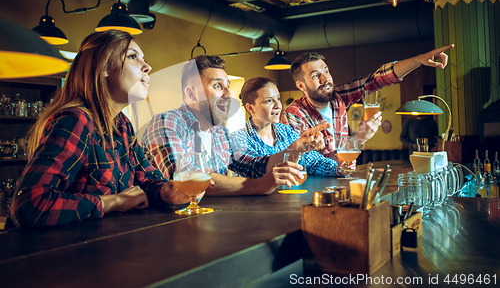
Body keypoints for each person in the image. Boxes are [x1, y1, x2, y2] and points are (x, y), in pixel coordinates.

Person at [6, 30, 189, 229]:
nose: (148, 67)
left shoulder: (122, 125)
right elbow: (29, 205)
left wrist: (166, 191)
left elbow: (146, 178)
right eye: (132, 57)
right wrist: (113, 202)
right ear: (102, 68)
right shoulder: (75, 120)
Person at [141, 55, 329, 195]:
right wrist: (259, 186)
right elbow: (185, 178)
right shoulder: (168, 122)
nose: (228, 94)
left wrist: (297, 147)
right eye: (217, 86)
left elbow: (256, 166)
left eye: (228, 86)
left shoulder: (219, 133)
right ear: (191, 94)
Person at [281, 45, 454, 160]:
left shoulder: (338, 98)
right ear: (301, 86)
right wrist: (360, 137)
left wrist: (418, 60)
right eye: (315, 75)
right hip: (311, 193)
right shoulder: (294, 114)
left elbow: (377, 79)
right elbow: (309, 164)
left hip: (342, 183)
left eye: (326, 71)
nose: (325, 78)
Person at [231, 77, 353, 178]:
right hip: (257, 206)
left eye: (277, 98)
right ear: (250, 108)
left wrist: (339, 168)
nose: (277, 105)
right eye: (268, 101)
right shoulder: (237, 140)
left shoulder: (286, 131)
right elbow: (258, 168)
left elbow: (313, 162)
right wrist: (295, 149)